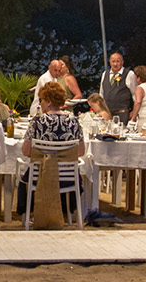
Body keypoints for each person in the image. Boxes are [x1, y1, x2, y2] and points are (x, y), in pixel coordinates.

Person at [19, 80, 85, 216]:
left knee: (24, 173)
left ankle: (31, 214)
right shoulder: (74, 122)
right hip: (68, 178)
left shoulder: (37, 122)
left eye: (41, 100)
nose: (40, 103)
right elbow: (81, 152)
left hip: (41, 176)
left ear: (48, 101)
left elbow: (26, 152)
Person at [99, 52, 136, 123]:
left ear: (122, 62)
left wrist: (134, 111)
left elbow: (134, 95)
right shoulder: (105, 74)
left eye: (118, 61)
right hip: (108, 115)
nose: (115, 64)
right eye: (113, 61)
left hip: (123, 114)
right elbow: (101, 94)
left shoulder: (129, 74)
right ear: (110, 62)